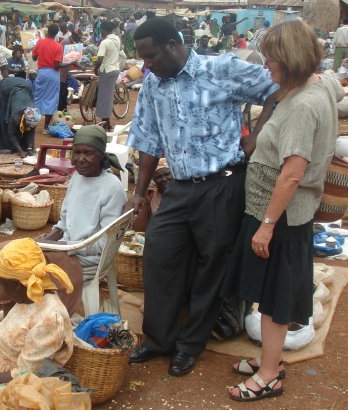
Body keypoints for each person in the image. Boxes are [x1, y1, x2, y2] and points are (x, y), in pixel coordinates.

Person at [125, 17, 277, 377]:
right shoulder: (153, 84)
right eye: (143, 58)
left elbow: (275, 90)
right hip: (178, 188)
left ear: (173, 46)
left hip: (221, 185)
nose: (146, 65)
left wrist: (255, 136)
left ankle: (190, 346)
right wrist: (139, 192)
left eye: (151, 57)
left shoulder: (221, 68)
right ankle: (159, 339)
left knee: (212, 266)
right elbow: (148, 139)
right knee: (159, 256)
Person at [223, 20, 342, 402]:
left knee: (273, 298)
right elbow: (333, 82)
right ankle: (268, 360)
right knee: (271, 292)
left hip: (281, 216)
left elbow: (292, 174)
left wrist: (267, 226)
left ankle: (269, 374)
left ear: (290, 59)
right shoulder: (317, 84)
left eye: (272, 58)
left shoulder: (302, 106)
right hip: (283, 213)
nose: (267, 65)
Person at [0, 125, 128, 316]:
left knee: (16, 266)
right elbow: (65, 220)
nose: (81, 159)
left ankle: (23, 315)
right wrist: (52, 236)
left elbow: (103, 243)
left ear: (101, 155)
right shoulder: (77, 178)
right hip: (63, 246)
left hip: (84, 256)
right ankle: (12, 307)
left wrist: (61, 246)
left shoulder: (112, 188)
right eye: (76, 152)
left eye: (88, 153)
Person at [0, 238, 74, 375]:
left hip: (11, 386)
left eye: (3, 283)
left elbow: (23, 376)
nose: (2, 288)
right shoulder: (28, 297)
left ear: (17, 285)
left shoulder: (50, 320)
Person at [32, 23, 76, 133]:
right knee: (51, 99)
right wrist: (69, 62)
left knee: (38, 97)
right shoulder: (58, 46)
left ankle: (31, 124)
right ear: (57, 33)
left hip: (41, 72)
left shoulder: (40, 42)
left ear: (47, 31)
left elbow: (33, 57)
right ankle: (46, 127)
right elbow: (57, 65)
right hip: (53, 74)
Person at [0, 76, 41, 156]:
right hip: (6, 88)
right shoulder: (16, 113)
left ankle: (25, 146)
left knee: (27, 126)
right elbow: (11, 133)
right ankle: (5, 146)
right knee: (3, 117)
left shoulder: (33, 113)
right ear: (23, 117)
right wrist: (20, 151)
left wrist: (29, 148)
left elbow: (31, 129)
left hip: (24, 86)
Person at [94, 21, 121, 132]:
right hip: (115, 70)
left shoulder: (105, 42)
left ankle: (106, 124)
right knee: (108, 97)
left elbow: (99, 58)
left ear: (104, 30)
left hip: (106, 71)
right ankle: (107, 122)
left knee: (104, 98)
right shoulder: (117, 39)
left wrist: (95, 69)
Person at [132, 166, 173, 232]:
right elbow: (139, 229)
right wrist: (145, 201)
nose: (164, 179)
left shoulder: (184, 193)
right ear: (154, 181)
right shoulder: (151, 195)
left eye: (167, 174)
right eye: (158, 177)